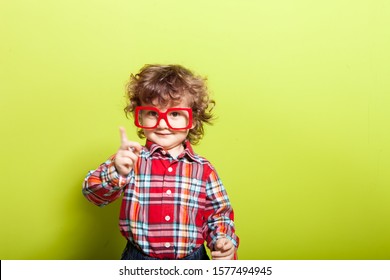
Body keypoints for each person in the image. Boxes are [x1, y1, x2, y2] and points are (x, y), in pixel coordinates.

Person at [82, 64, 239, 260]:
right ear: (140, 115)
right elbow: (93, 194)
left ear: (192, 120)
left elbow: (219, 214)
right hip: (139, 258)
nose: (163, 123)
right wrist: (117, 171)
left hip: (192, 259)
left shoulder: (204, 169)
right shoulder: (130, 159)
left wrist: (223, 240)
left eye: (174, 114)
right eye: (153, 113)